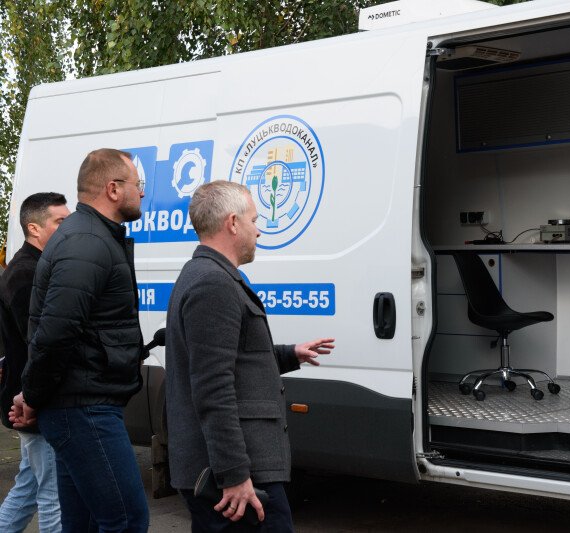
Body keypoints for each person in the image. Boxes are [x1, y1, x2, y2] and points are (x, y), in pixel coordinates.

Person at [166, 181, 334, 532]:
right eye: (254, 220)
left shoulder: (208, 274)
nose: (258, 230)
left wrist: (290, 354)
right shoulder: (213, 283)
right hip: (236, 477)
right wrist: (234, 475)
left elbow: (234, 358)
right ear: (232, 223)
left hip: (234, 469)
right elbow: (213, 388)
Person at [12, 149, 149, 532]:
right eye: (138, 184)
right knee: (127, 519)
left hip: (80, 405)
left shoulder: (90, 237)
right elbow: (55, 334)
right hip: (84, 409)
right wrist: (32, 396)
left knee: (82, 523)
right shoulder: (87, 242)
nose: (142, 193)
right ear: (113, 189)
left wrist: (33, 395)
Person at [0, 192, 69, 533]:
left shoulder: (34, 267)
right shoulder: (26, 274)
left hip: (30, 398)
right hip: (32, 402)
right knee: (53, 496)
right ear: (34, 228)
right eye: (60, 221)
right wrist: (35, 397)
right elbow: (38, 345)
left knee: (28, 487)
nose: (68, 228)